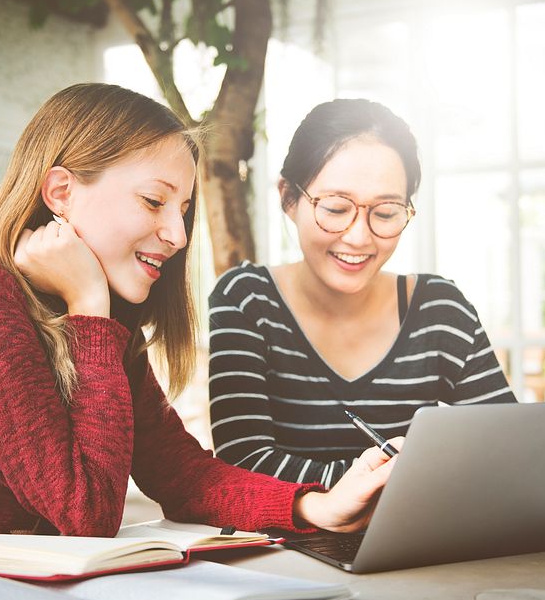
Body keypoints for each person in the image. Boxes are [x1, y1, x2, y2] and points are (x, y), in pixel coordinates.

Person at [0, 84, 399, 600]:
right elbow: (86, 513)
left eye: (182, 211)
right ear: (61, 191)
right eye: (154, 202)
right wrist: (89, 307)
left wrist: (316, 504)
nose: (177, 236)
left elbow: (181, 474)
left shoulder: (94, 329)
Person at [209, 98, 515, 487]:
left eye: (386, 213)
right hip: (289, 546)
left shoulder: (439, 310)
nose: (358, 237)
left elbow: (508, 449)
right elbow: (243, 462)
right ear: (289, 197)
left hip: (417, 540)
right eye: (336, 209)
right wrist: (398, 481)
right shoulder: (248, 300)